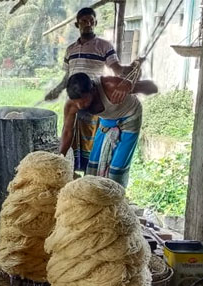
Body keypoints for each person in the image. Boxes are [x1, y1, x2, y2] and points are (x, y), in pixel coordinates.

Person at [44, 7, 140, 173]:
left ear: (95, 23)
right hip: (76, 96)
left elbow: (116, 68)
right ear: (77, 24)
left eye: (91, 21)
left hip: (94, 98)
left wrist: (131, 70)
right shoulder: (70, 49)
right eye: (84, 21)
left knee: (95, 142)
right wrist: (58, 90)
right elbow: (67, 76)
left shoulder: (103, 46)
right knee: (70, 135)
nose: (88, 24)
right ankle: (71, 172)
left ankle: (95, 176)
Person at [60, 73, 158, 187]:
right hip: (108, 120)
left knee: (117, 167)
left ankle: (115, 198)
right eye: (76, 102)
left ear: (93, 90)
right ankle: (93, 195)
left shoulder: (111, 85)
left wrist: (129, 85)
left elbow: (152, 87)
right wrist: (60, 157)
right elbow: (67, 131)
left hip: (130, 117)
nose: (80, 106)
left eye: (84, 100)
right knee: (93, 165)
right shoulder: (73, 104)